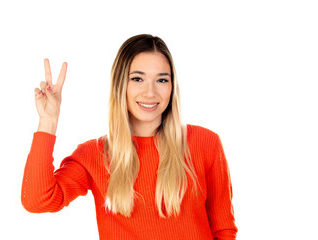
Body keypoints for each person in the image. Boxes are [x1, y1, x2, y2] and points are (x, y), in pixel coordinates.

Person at [21, 34, 238, 239]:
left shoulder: (205, 143)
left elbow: (224, 230)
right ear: (120, 85)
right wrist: (48, 121)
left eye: (162, 80)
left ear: (172, 87)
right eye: (137, 79)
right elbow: (37, 200)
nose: (150, 92)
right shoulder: (93, 155)